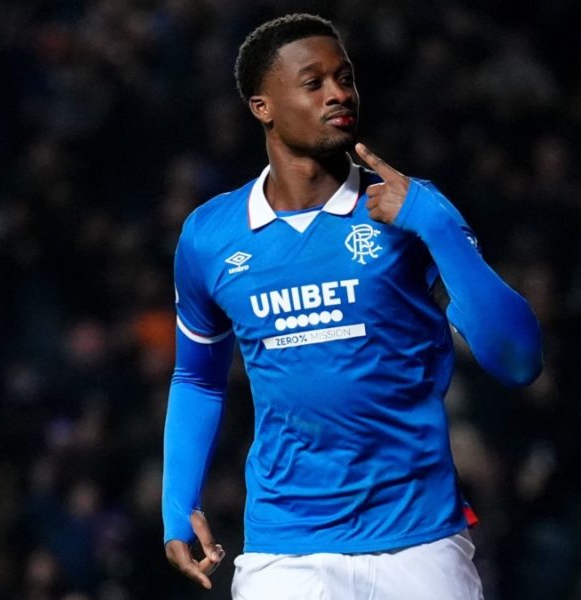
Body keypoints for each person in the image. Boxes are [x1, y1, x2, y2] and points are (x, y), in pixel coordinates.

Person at [162, 13, 543, 600]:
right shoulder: (211, 236)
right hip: (285, 553)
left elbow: (518, 360)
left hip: (420, 545)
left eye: (345, 78)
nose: (338, 93)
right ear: (263, 107)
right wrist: (177, 508)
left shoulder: (410, 208)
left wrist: (435, 224)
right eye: (313, 83)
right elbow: (197, 379)